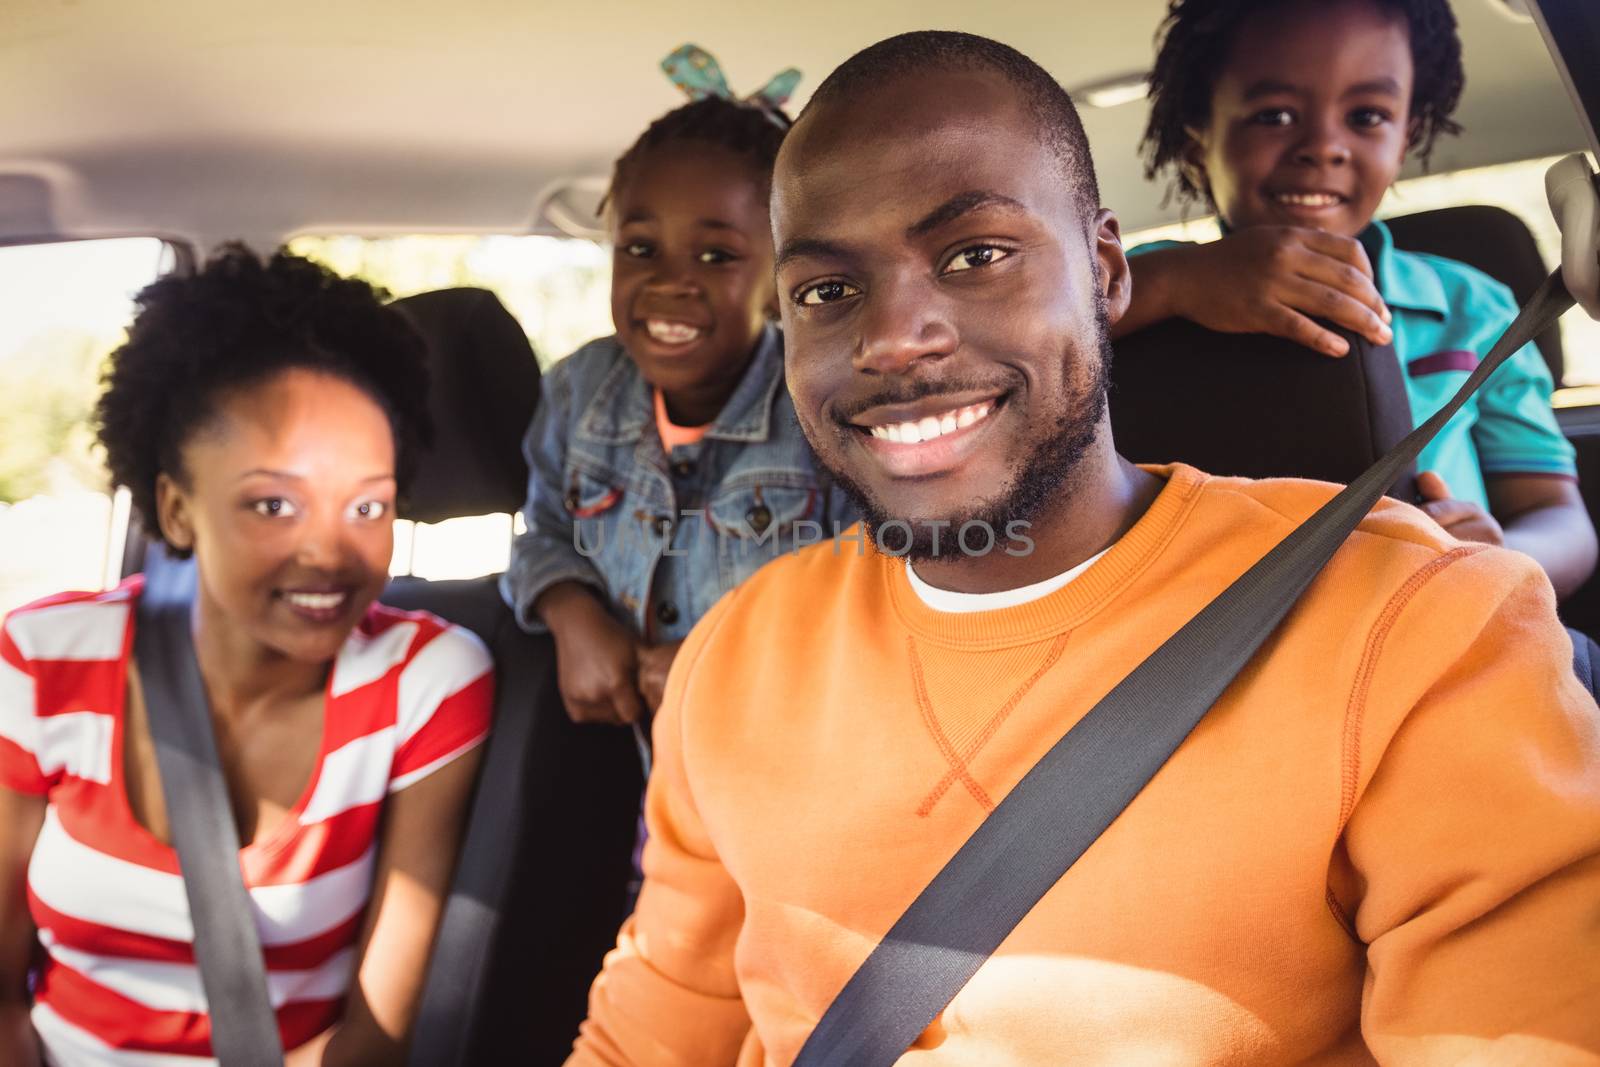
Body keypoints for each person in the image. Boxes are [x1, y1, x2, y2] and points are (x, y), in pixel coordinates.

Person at [566, 30, 1600, 1065]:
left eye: (975, 255)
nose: (892, 337)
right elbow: (650, 1030)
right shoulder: (733, 655)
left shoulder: (1419, 628)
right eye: (828, 291)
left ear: (1107, 270)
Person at [0, 246, 493, 1066]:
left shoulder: (427, 683)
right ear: (177, 508)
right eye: (273, 503)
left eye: (367, 504)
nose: (329, 554)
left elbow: (376, 1037)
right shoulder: (43, 661)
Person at [1119, 0, 1597, 598]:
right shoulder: (1131, 285)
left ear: (1406, 138)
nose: (1323, 146)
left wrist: (1502, 559)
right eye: (1273, 115)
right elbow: (1031, 337)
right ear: (1198, 144)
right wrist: (1176, 283)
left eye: (1367, 115)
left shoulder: (1472, 307)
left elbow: (1561, 516)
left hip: (1441, 617)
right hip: (1194, 633)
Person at [502, 45, 854, 729]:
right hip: (651, 774)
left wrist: (718, 660)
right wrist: (570, 612)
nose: (668, 281)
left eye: (717, 255)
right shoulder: (579, 390)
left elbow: (866, 594)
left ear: (782, 283)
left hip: (789, 751)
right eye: (640, 249)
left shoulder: (822, 404)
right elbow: (543, 530)